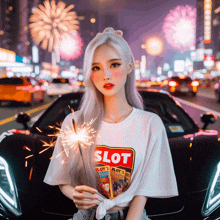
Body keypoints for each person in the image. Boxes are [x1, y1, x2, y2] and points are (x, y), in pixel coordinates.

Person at [44, 27, 179, 220]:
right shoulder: (75, 123)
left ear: (130, 66)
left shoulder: (150, 124)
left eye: (114, 65)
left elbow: (143, 191)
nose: (106, 75)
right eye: (96, 67)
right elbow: (62, 178)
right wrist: (75, 194)